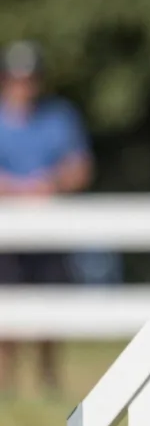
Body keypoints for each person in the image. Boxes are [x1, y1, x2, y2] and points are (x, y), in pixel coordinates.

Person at [0, 41, 94, 395]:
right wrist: (17, 189)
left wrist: (49, 184)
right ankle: (5, 383)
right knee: (6, 307)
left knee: (51, 306)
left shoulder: (59, 117)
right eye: (17, 78)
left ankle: (48, 380)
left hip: (51, 228)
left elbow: (80, 168)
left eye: (30, 78)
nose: (24, 86)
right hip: (6, 232)